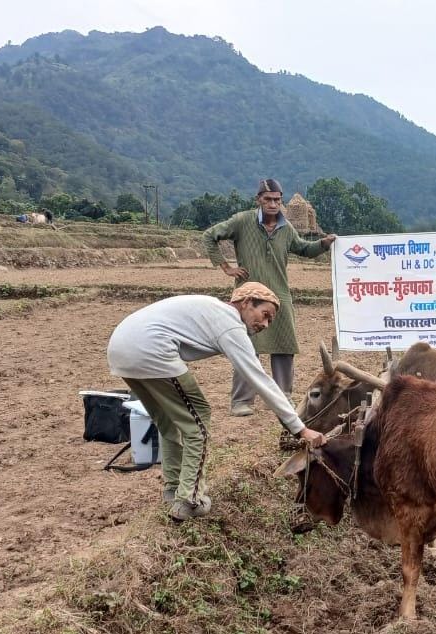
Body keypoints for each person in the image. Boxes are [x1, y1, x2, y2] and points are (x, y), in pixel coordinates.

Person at [107, 282, 328, 521]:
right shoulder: (230, 323)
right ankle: (190, 500)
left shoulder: (213, 309)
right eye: (265, 314)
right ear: (246, 303)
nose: (265, 324)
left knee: (169, 422)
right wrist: (300, 429)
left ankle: (172, 490)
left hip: (120, 350)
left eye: (270, 321)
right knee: (198, 419)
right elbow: (259, 379)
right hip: (153, 351)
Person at [201, 179, 337, 416]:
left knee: (284, 346)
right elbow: (209, 236)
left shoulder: (286, 228)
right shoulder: (242, 221)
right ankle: (242, 401)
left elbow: (304, 249)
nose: (273, 204)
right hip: (248, 298)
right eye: (268, 199)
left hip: (279, 295)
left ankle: (282, 397)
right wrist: (226, 267)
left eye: (277, 199)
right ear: (258, 200)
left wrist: (323, 244)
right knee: (245, 347)